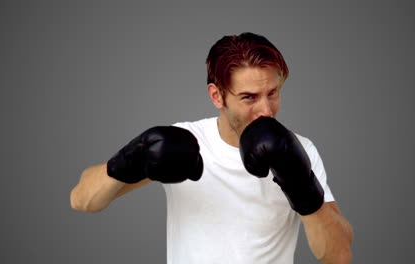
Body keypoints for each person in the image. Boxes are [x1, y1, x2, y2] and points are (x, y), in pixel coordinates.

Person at [70, 32, 353, 263]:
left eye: (272, 93)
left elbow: (338, 255)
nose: (266, 110)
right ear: (217, 96)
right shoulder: (186, 144)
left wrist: (303, 187)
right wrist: (131, 156)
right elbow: (82, 200)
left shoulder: (300, 149)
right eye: (249, 97)